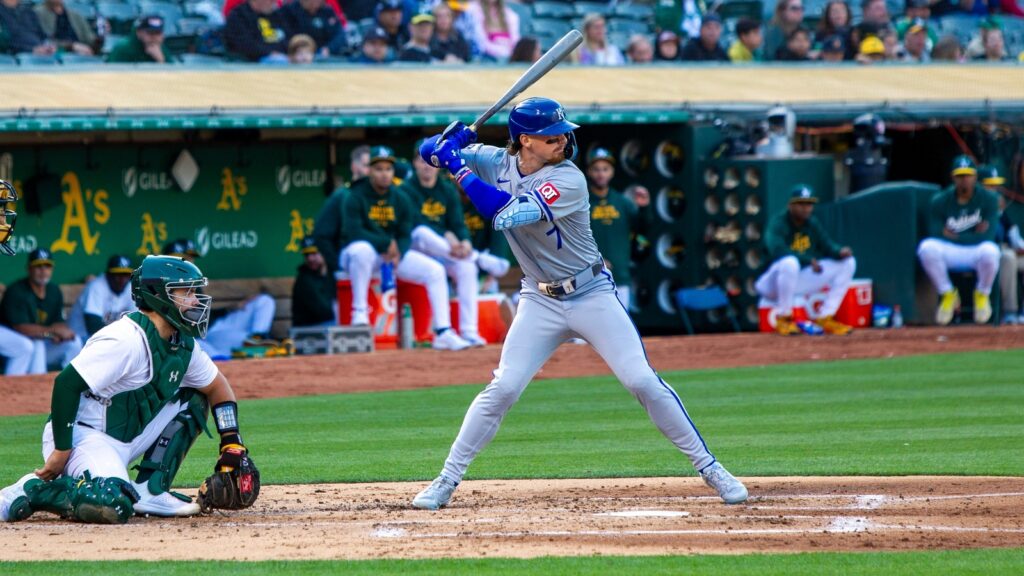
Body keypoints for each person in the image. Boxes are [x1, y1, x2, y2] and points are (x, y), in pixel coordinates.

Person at [410, 97, 748, 510]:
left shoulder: (568, 178)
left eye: (563, 133)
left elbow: (501, 213)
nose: (563, 140)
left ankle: (710, 467)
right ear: (524, 141)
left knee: (641, 380)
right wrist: (449, 142)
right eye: (551, 135)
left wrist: (457, 164)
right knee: (503, 388)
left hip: (592, 294)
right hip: (539, 298)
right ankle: (446, 479)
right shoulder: (497, 161)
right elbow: (426, 150)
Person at [0, 255, 256, 523]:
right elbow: (66, 383)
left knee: (195, 396)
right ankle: (36, 489)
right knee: (114, 505)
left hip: (129, 435)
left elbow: (218, 388)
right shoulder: (124, 338)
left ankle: (150, 489)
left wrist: (232, 442)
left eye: (195, 291)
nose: (195, 300)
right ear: (158, 295)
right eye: (186, 292)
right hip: (84, 436)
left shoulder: (182, 344)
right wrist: (61, 451)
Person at [340, 145, 470, 350]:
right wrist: (385, 244)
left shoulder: (400, 197)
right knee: (361, 250)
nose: (384, 174)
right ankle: (360, 313)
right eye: (378, 169)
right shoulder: (355, 195)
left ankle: (443, 332)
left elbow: (406, 231)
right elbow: (353, 232)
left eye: (388, 169)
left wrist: (398, 251)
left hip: (391, 257)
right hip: (359, 257)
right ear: (370, 171)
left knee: (435, 271)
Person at [401, 140, 509, 346]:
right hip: (414, 248)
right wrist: (449, 239)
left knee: (467, 267)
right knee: (423, 232)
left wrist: (465, 242)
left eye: (430, 162)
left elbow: (458, 223)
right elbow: (415, 222)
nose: (426, 166)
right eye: (421, 161)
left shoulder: (447, 189)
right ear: (414, 163)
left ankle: (469, 331)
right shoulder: (406, 189)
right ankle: (443, 331)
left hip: (444, 251)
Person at [755, 185, 856, 336]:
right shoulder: (778, 222)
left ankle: (825, 317)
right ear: (791, 205)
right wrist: (809, 260)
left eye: (809, 204)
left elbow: (827, 245)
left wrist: (839, 252)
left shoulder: (812, 223)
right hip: (771, 283)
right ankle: (784, 318)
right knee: (789, 262)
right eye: (801, 204)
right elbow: (777, 251)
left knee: (848, 263)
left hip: (797, 282)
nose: (806, 208)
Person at [917, 156, 1000, 325]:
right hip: (951, 251)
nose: (964, 180)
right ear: (953, 177)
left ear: (975, 177)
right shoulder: (940, 200)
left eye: (968, 175)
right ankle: (947, 293)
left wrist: (954, 236)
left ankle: (982, 294)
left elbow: (988, 236)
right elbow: (935, 233)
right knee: (926, 248)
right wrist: (972, 235)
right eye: (960, 175)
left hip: (975, 251)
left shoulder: (989, 199)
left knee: (991, 251)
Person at [162, 239, 277, 359]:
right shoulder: (161, 285)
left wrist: (230, 309)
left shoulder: (192, 280)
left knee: (264, 301)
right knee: (202, 348)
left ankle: (258, 336)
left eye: (191, 258)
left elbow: (205, 313)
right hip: (205, 336)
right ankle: (254, 346)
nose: (190, 262)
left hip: (216, 325)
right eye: (185, 258)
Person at [584, 147, 649, 310]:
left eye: (605, 169)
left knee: (621, 330)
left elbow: (643, 228)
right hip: (590, 277)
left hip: (620, 276)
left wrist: (644, 208)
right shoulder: (582, 202)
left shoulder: (622, 202)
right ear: (589, 172)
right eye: (596, 169)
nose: (601, 174)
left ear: (612, 172)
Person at [0, 248, 82, 375]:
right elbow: (21, 328)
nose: (43, 271)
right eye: (38, 266)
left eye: (47, 266)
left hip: (38, 341)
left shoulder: (54, 290)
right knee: (31, 345)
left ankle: (68, 384)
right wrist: (52, 332)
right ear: (29, 269)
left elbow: (58, 322)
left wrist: (60, 333)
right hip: (11, 340)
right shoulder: (17, 291)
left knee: (73, 342)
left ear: (52, 269)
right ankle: (20, 387)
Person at [68, 255, 138, 343]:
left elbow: (136, 322)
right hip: (81, 337)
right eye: (118, 275)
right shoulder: (96, 287)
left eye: (126, 275)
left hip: (108, 338)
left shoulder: (130, 288)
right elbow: (93, 326)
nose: (122, 280)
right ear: (108, 275)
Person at [985, 169, 1023, 324]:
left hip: (1008, 250)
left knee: (1013, 256)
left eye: (996, 187)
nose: (995, 192)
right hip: (991, 254)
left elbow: (1015, 237)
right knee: (1009, 258)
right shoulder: (979, 210)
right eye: (990, 187)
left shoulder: (1002, 213)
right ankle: (1010, 312)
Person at [292, 236, 337, 328]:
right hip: (307, 329)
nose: (310, 259)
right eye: (307, 255)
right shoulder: (304, 280)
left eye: (314, 253)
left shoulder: (332, 273)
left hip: (326, 324)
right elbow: (324, 311)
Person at [278, 0, 343, 55]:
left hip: (325, 55)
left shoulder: (327, 11)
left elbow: (340, 35)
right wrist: (302, 50)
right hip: (297, 55)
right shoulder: (289, 11)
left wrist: (329, 49)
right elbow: (285, 36)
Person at [107, 15, 176, 63]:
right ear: (139, 33)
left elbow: (174, 78)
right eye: (150, 33)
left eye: (158, 33)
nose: (154, 37)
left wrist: (161, 60)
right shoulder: (123, 48)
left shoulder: (162, 49)